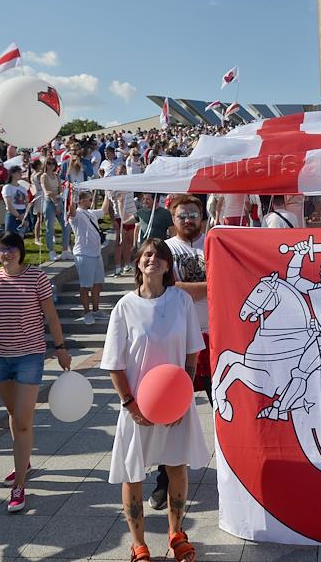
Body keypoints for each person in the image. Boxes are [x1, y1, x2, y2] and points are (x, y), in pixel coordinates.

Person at [102, 238, 209, 562]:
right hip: (136, 406)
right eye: (147, 255)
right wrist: (130, 404)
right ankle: (138, 544)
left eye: (160, 255)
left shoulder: (181, 301)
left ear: (168, 265)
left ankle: (176, 534)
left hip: (175, 404)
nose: (154, 259)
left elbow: (191, 354)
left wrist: (181, 400)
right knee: (132, 473)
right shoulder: (125, 307)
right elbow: (114, 363)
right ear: (138, 262)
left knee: (176, 467)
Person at [0, 231, 72, 513]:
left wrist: (60, 347)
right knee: (13, 414)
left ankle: (19, 485)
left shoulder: (36, 277)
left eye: (11, 248)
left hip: (29, 356)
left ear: (21, 251)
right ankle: (24, 460)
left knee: (22, 420)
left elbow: (51, 315)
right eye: (1, 249)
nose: (6, 253)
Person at [158, 194, 209, 510]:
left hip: (216, 338)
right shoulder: (165, 250)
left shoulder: (216, 243)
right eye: (182, 215)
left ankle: (235, 473)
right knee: (170, 411)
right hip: (177, 341)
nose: (188, 219)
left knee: (227, 408)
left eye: (193, 214)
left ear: (202, 216)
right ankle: (163, 481)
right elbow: (169, 287)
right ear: (173, 219)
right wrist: (213, 285)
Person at [68, 189, 108, 325]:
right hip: (84, 254)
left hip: (96, 253)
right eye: (89, 199)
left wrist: (108, 194)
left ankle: (96, 310)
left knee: (97, 284)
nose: (91, 201)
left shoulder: (91, 213)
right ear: (81, 201)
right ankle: (87, 312)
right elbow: (71, 210)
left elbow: (104, 210)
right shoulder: (77, 214)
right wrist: (72, 194)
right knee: (85, 286)